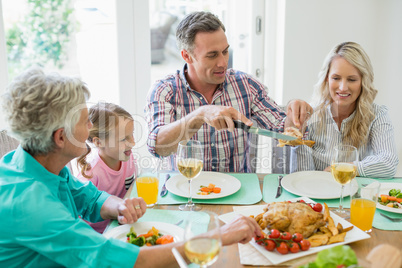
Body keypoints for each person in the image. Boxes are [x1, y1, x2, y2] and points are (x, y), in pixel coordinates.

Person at [0, 67, 262, 267]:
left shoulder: (34, 160)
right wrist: (220, 236)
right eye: (84, 121)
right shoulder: (28, 204)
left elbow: (87, 198)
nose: (90, 127)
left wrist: (119, 205)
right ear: (60, 137)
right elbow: (117, 259)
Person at [145, 11, 313, 172]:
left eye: (225, 52)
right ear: (187, 56)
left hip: (239, 192)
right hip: (185, 191)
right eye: (212, 55)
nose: (222, 63)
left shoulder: (246, 85)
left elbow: (283, 131)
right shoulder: (164, 90)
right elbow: (158, 147)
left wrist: (294, 115)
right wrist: (200, 114)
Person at [292, 42, 398, 178]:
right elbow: (303, 176)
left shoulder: (377, 114)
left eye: (352, 80)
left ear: (363, 82)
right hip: (315, 194)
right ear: (327, 79)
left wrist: (343, 169)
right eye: (336, 78)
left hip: (355, 195)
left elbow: (389, 163)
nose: (342, 87)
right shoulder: (309, 115)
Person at [76, 102, 137, 233]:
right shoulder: (90, 174)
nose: (133, 142)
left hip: (122, 224)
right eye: (123, 139)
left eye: (132, 135)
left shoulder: (127, 157)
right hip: (99, 235)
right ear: (99, 142)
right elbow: (78, 219)